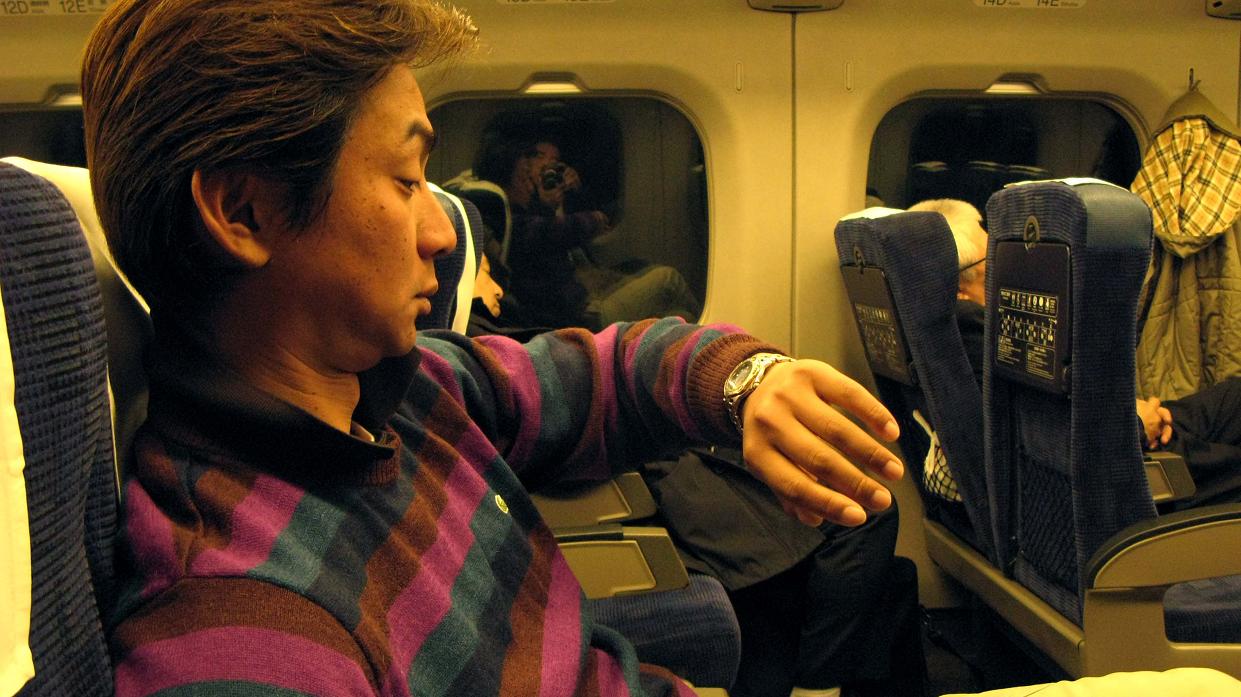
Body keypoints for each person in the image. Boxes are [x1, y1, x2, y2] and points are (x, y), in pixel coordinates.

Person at [80, 1, 906, 695]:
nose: (442, 233)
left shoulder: (406, 390)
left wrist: (748, 383)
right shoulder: (241, 631)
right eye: (406, 180)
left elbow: (611, 373)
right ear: (244, 212)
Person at [474, 134, 703, 330]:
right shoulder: (511, 224)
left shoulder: (521, 214)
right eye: (524, 177)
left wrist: (559, 198)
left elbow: (547, 237)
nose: (530, 184)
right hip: (579, 318)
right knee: (669, 279)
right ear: (506, 183)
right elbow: (555, 231)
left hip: (576, 303)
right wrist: (594, 219)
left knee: (678, 314)